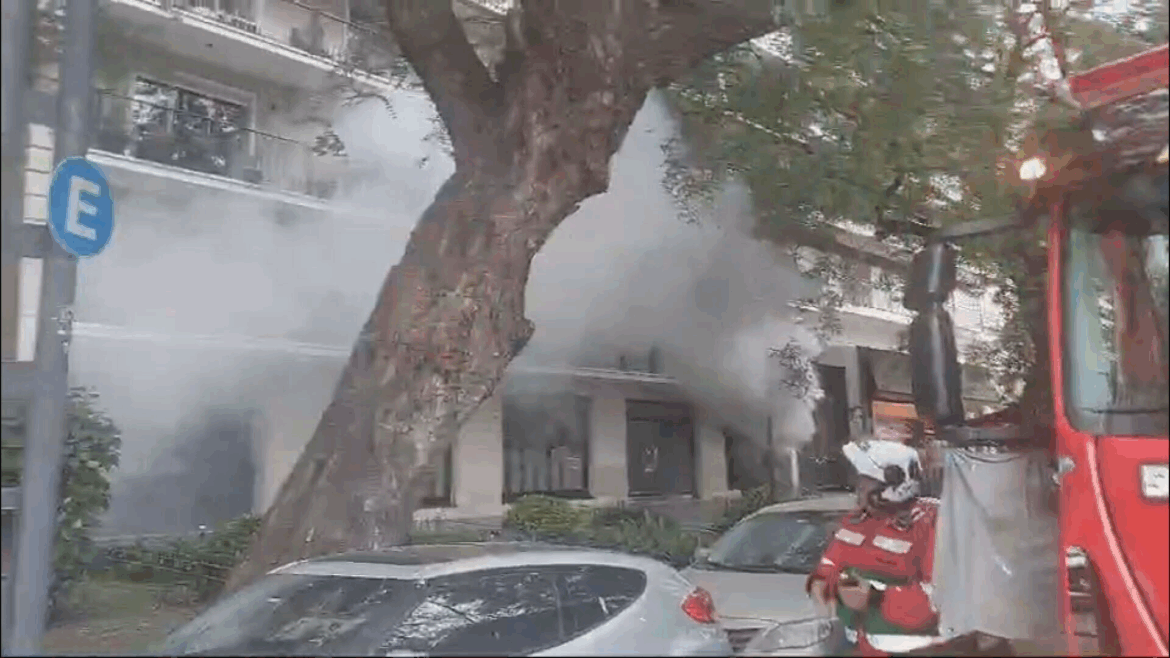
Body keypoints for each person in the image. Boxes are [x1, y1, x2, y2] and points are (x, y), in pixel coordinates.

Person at [805, 437, 945, 656]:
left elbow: (940, 598)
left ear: (894, 485)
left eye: (865, 482)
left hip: (917, 650)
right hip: (857, 646)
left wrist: (875, 597)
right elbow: (832, 561)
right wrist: (822, 581)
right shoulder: (857, 521)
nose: (858, 489)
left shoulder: (932, 522)